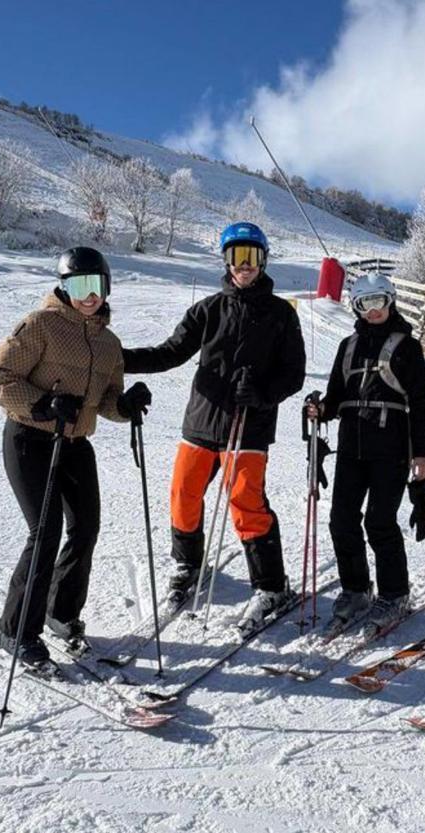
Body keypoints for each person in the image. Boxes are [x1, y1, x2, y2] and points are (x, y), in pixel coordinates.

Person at [122, 222, 306, 632]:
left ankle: (272, 586)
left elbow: (294, 374)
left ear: (263, 261)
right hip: (202, 420)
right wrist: (118, 359)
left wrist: (260, 393)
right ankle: (187, 564)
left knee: (245, 503)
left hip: (249, 426)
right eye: (238, 257)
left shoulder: (280, 315)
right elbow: (170, 352)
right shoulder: (207, 310)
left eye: (253, 258)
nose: (245, 266)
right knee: (183, 494)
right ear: (226, 261)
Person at [0, 247, 152, 667]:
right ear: (63, 288)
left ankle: (61, 613)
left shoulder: (110, 344)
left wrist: (127, 406)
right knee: (44, 531)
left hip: (76, 443)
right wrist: (42, 404)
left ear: (106, 287)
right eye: (77, 286)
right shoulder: (39, 325)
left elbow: (107, 401)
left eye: (95, 285)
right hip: (30, 437)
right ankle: (15, 631)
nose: (88, 295)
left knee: (86, 528)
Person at [305, 273, 425, 636]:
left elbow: (421, 403)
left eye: (378, 301)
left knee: (379, 522)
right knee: (341, 520)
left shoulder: (408, 347)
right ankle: (357, 588)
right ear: (356, 307)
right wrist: (320, 409)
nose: (373, 310)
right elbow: (334, 396)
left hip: (390, 449)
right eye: (364, 304)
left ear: (390, 301)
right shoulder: (347, 346)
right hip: (350, 448)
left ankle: (394, 594)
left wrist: (421, 452)